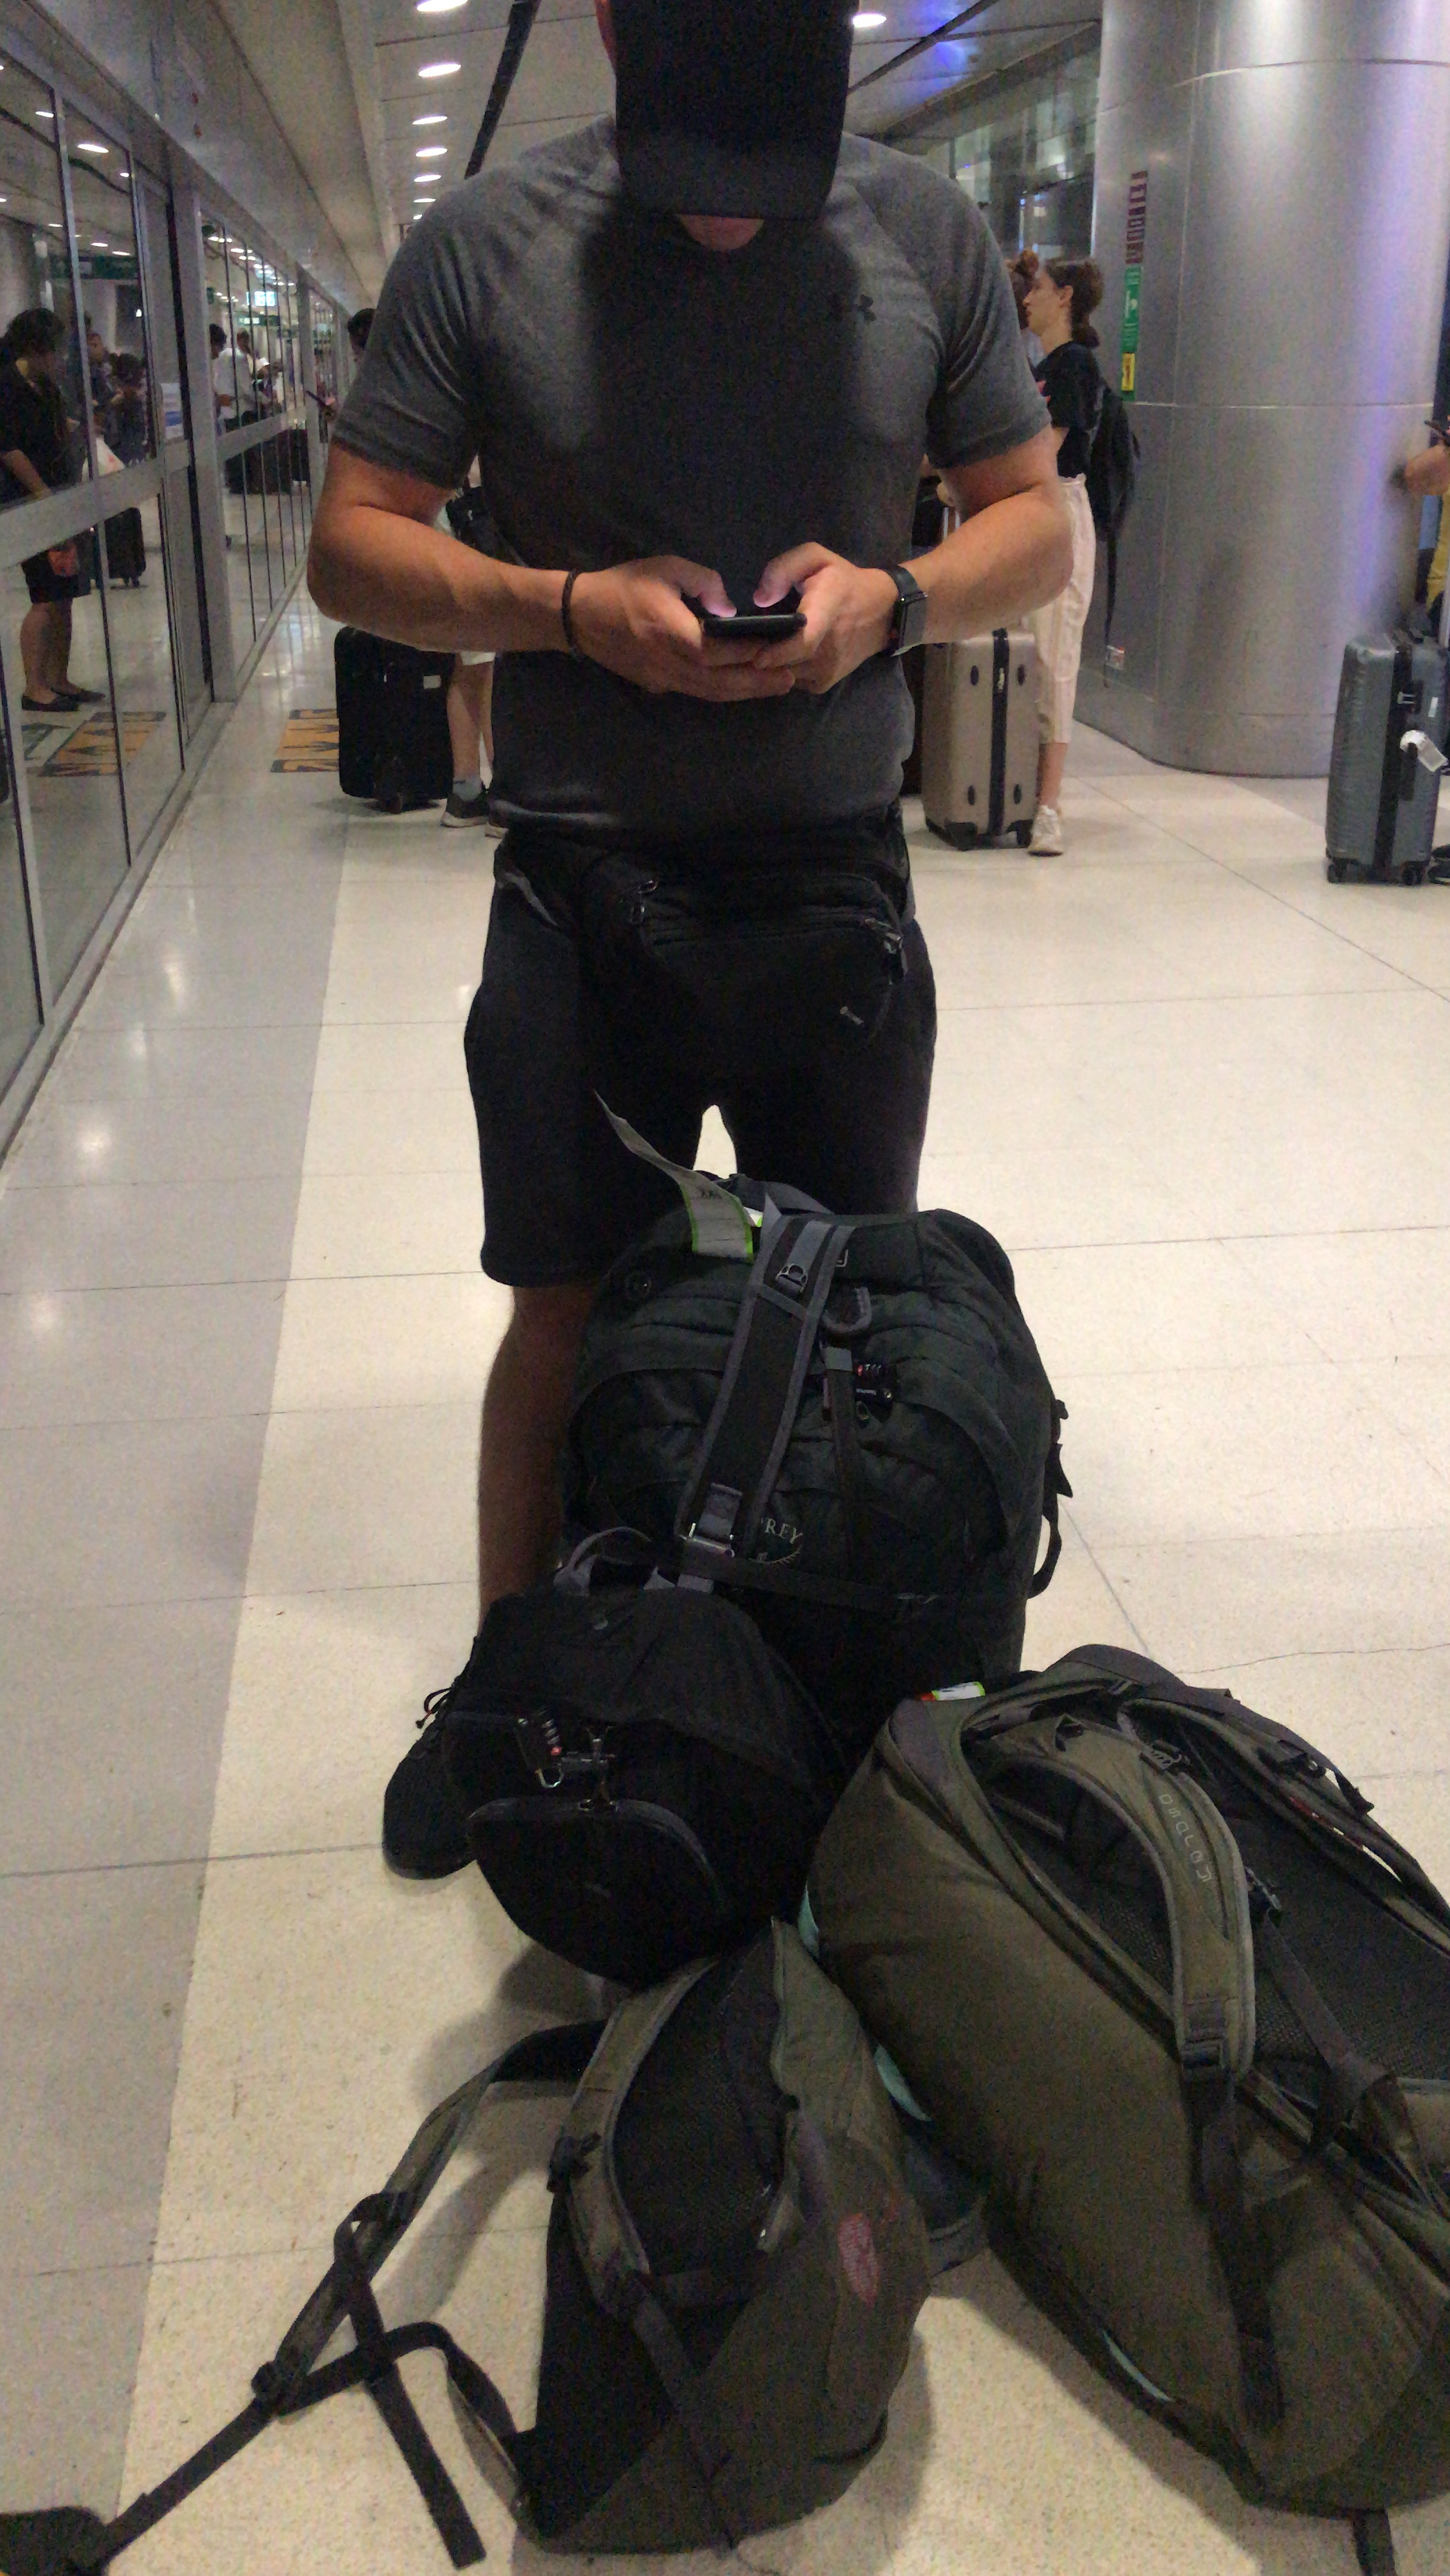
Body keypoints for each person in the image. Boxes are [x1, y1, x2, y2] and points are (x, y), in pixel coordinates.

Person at [307, 0, 1070, 1877]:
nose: (729, 214)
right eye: (690, 175)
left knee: (850, 1309)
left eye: (768, 172)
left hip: (835, 881)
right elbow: (350, 543)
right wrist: (570, 609)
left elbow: (1032, 525)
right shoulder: (488, 244)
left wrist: (891, 600)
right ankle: (512, 1689)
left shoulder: (923, 232)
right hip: (584, 881)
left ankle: (829, 1694)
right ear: (608, 23)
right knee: (563, 1304)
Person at [1020, 255, 1103, 857]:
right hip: (1031, 511)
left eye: (1039, 289)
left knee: (1054, 657)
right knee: (1027, 651)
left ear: (1065, 297)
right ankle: (1020, 790)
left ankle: (1048, 806)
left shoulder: (1073, 364)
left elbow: (1046, 451)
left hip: (1060, 513)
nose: (1028, 299)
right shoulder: (1042, 366)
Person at [0, 308, 104, 712]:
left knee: (65, 593)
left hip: (59, 500)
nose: (57, 358)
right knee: (45, 596)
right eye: (53, 350)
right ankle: (34, 687)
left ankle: (59, 678)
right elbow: (9, 449)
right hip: (33, 504)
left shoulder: (43, 386)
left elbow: (50, 429)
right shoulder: (8, 386)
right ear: (35, 347)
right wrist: (42, 493)